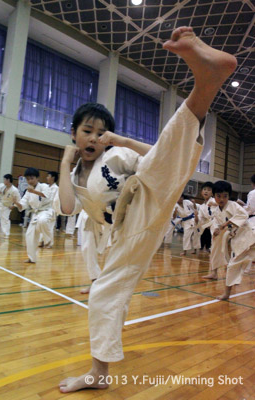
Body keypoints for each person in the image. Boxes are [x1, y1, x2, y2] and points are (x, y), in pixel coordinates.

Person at [55, 26, 237, 392]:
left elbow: (157, 159)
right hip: (127, 230)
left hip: (146, 197)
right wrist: (63, 163)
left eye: (100, 132)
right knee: (105, 292)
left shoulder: (117, 154)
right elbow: (66, 207)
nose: (93, 138)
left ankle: (206, 84)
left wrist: (120, 140)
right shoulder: (74, 174)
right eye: (87, 131)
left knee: (162, 164)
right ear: (74, 132)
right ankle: (99, 374)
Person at [210, 181, 255, 300]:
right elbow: (216, 224)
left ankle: (226, 294)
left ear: (229, 196)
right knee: (233, 264)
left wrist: (227, 223)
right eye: (218, 196)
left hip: (246, 237)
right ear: (214, 196)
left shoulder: (232, 205)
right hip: (237, 239)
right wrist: (216, 230)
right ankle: (230, 286)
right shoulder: (216, 211)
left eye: (225, 196)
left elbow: (244, 215)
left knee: (232, 265)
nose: (221, 199)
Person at [14, 168, 52, 263]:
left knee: (42, 220)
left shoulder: (44, 186)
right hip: (35, 213)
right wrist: (16, 202)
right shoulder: (28, 192)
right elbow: (23, 204)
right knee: (29, 236)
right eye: (28, 179)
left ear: (37, 178)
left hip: (46, 211)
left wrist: (33, 191)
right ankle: (32, 258)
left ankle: (48, 241)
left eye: (32, 178)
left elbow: (45, 195)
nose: (30, 181)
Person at [39, 171, 59, 248]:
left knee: (49, 227)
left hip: (52, 209)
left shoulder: (56, 188)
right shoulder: (46, 187)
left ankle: (49, 243)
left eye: (48, 176)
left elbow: (52, 199)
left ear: (53, 178)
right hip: (44, 209)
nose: (47, 178)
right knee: (42, 225)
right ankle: (41, 241)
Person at [197, 181, 215, 252]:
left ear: (212, 193)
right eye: (204, 189)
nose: (206, 191)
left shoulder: (214, 201)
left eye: (209, 190)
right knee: (201, 228)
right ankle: (205, 246)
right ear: (201, 192)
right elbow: (200, 218)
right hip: (209, 224)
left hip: (217, 223)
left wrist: (215, 204)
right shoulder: (202, 206)